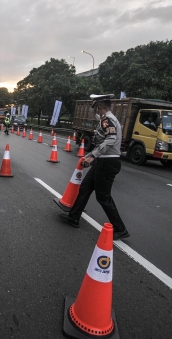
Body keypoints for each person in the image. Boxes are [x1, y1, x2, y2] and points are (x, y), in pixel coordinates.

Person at [59, 94, 130, 240]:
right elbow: (102, 143)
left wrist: (93, 156)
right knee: (85, 188)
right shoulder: (107, 120)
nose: (95, 112)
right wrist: (90, 155)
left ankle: (120, 229)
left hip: (107, 162)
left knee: (103, 197)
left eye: (96, 109)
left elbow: (110, 140)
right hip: (102, 161)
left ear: (100, 108)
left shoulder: (107, 120)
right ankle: (74, 217)